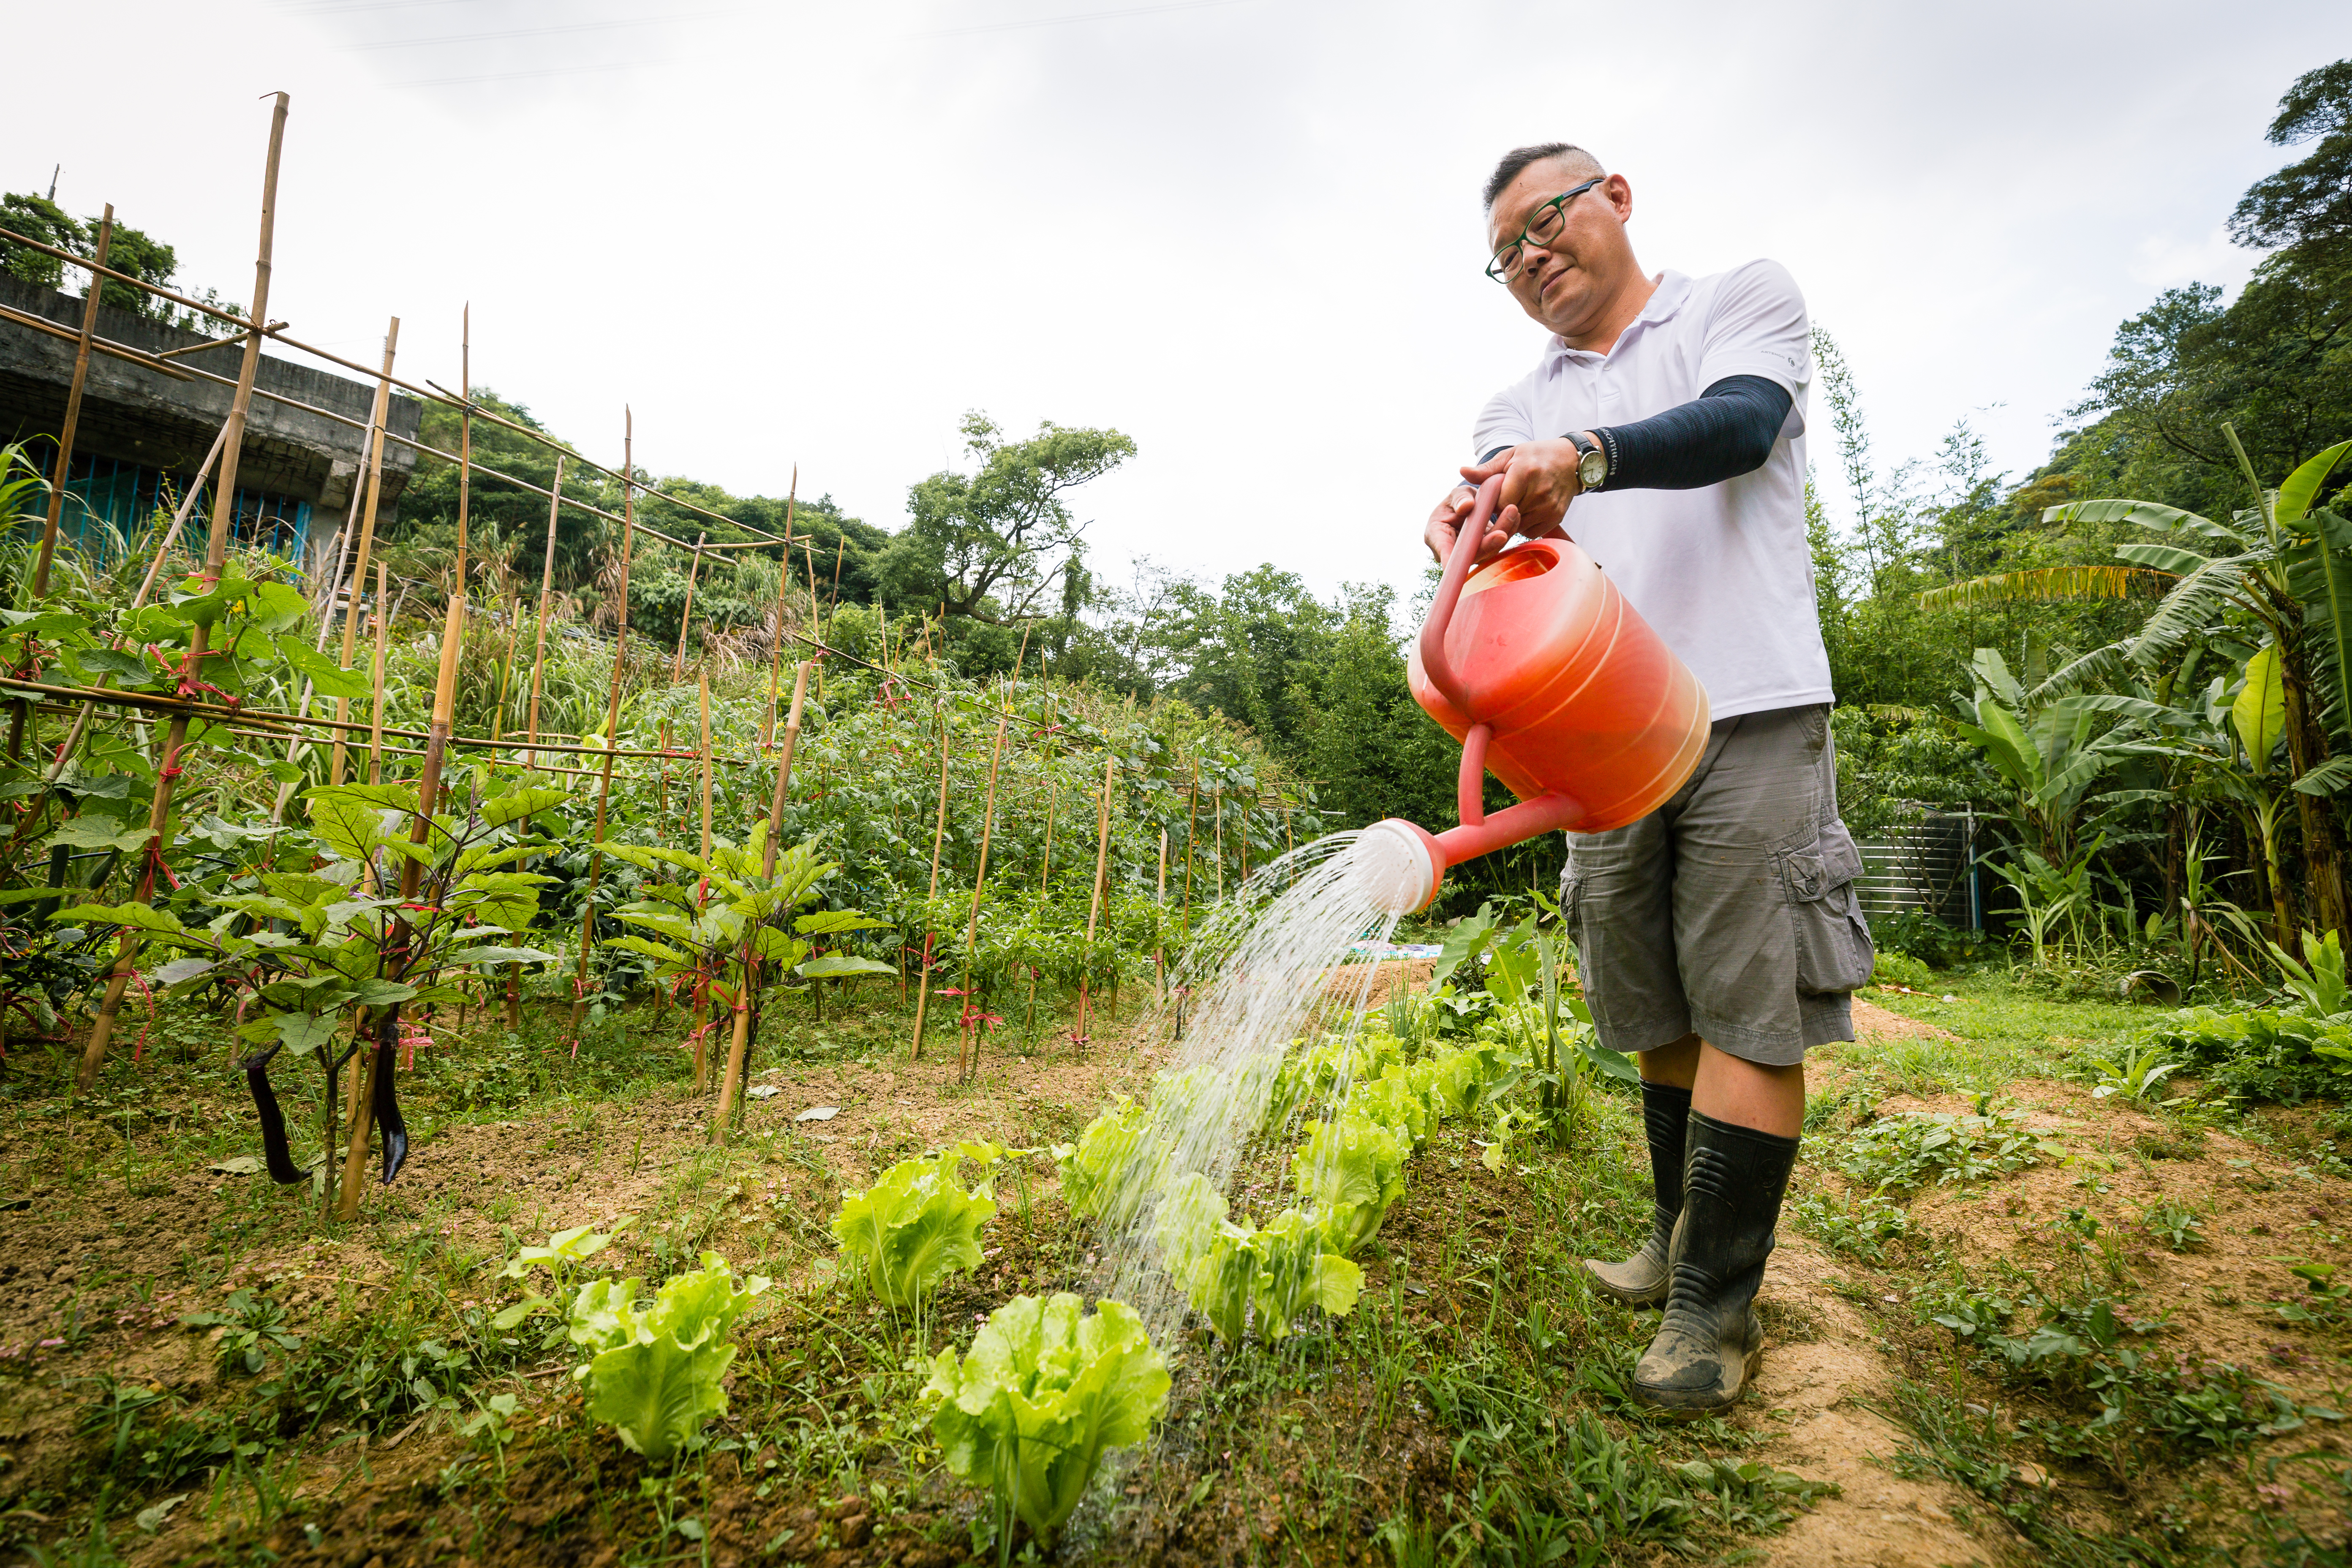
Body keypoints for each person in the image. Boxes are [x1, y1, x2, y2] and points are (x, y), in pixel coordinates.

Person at [1424, 142, 1873, 1416]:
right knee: (1657, 1001)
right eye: (1505, 252)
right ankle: (1678, 1240)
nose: (1530, 256)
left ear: (1615, 198)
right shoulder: (1517, 402)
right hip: (1602, 731)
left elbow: (1742, 426)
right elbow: (1506, 512)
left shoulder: (1737, 302)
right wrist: (1463, 523)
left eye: (1546, 219)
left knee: (1746, 1004)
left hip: (1748, 706)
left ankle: (1713, 1310)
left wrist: (1591, 456)